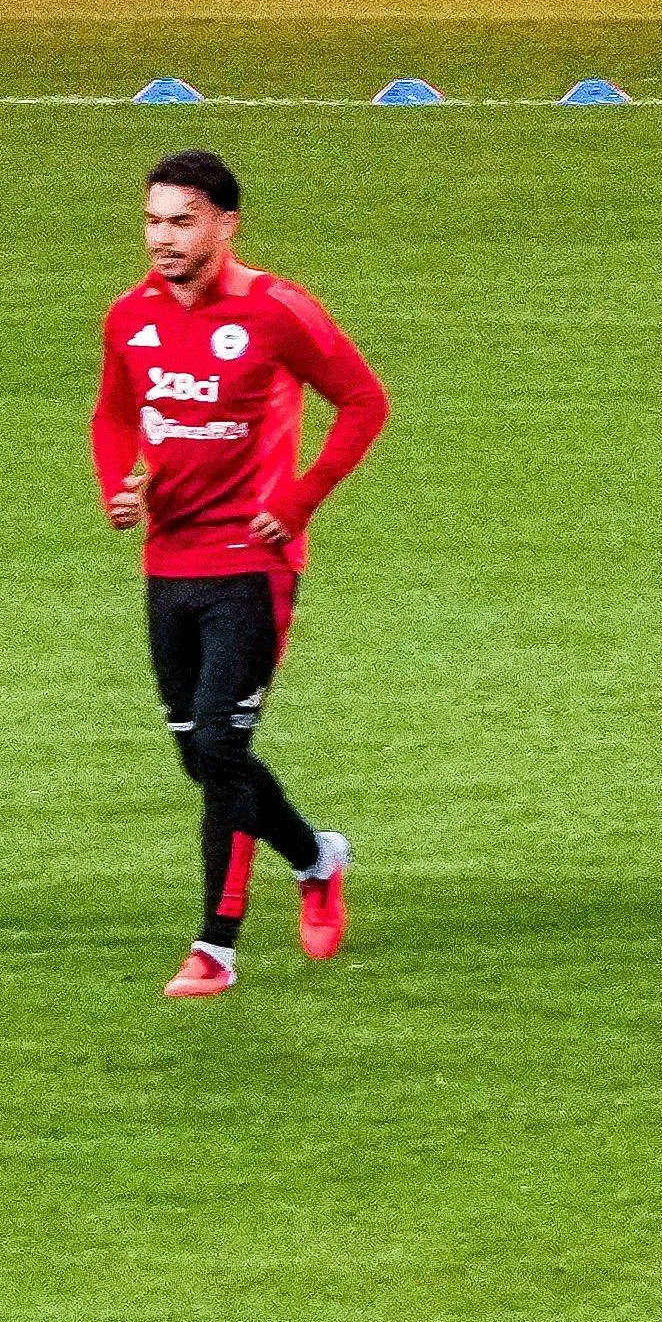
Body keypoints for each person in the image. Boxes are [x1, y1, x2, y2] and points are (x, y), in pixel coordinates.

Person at [95, 147, 386, 998]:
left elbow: (364, 402)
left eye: (181, 221)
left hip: (253, 565)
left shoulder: (276, 311)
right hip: (168, 563)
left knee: (223, 746)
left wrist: (297, 503)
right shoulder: (128, 318)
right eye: (152, 220)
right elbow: (113, 415)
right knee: (198, 756)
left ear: (226, 225)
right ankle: (313, 855)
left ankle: (215, 948)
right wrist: (117, 487)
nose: (162, 238)